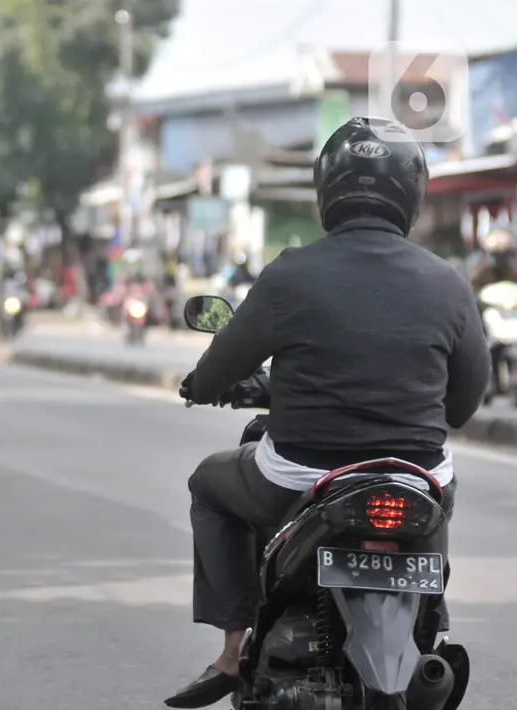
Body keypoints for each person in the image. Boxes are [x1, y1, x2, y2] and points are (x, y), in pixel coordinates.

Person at [163, 117, 490, 709]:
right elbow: (464, 405)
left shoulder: (290, 273)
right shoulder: (448, 283)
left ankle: (234, 648)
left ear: (327, 189)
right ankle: (428, 622)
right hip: (416, 480)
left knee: (209, 485)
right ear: (410, 192)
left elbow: (219, 366)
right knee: (441, 493)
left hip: (299, 478)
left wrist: (200, 384)